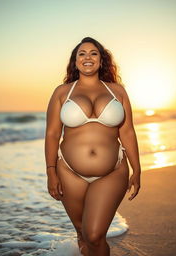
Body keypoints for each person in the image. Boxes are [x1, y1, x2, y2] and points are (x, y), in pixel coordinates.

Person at [45, 37, 141, 256]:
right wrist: (51, 171)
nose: (87, 57)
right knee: (82, 233)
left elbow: (127, 131)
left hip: (112, 171)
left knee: (95, 235)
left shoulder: (118, 91)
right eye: (82, 53)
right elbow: (52, 134)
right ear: (75, 61)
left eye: (93, 53)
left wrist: (137, 169)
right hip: (69, 172)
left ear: (101, 60)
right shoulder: (62, 92)